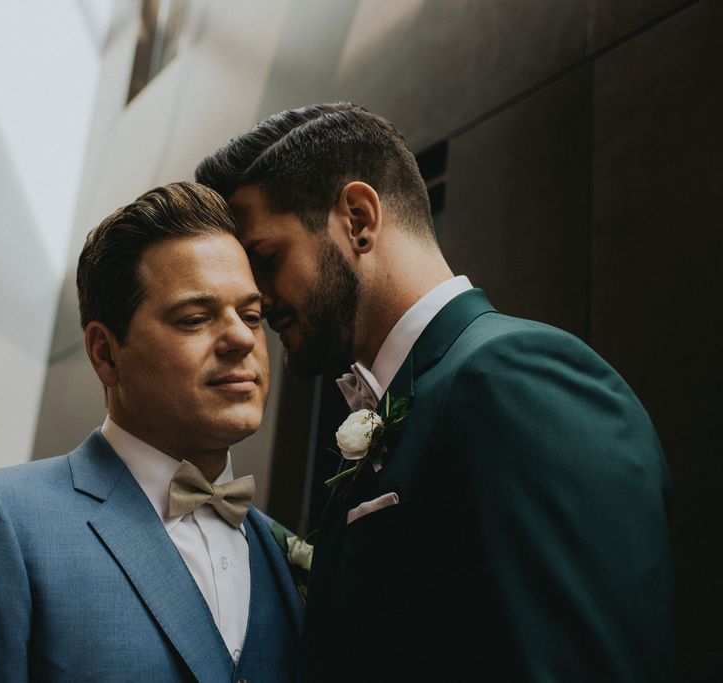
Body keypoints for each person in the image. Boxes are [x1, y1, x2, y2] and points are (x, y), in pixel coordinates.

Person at [196, 103, 673, 681]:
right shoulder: (416, 398)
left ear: (358, 218)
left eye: (267, 259)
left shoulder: (517, 377)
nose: (258, 299)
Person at [0, 182, 303, 682]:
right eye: (194, 318)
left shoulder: (283, 551)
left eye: (251, 315)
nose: (241, 338)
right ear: (104, 353)